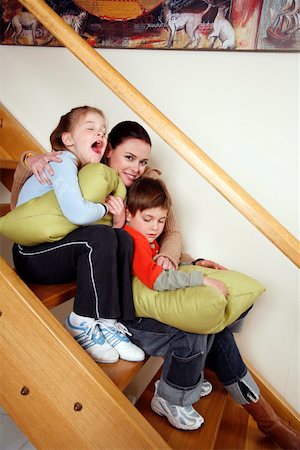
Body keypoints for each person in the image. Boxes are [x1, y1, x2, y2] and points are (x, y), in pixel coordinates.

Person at [11, 121, 300, 448]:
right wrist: (28, 161)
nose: (136, 168)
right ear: (108, 152)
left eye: (143, 161)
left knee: (210, 321)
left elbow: (167, 236)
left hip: (145, 284)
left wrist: (187, 263)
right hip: (116, 298)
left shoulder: (145, 187)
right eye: (129, 158)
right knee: (200, 330)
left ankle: (266, 419)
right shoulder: (86, 175)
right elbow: (32, 203)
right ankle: (228, 410)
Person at [11, 107, 145, 364]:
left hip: (57, 252)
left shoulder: (89, 174)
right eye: (91, 128)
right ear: (68, 139)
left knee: (122, 239)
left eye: (103, 131)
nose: (100, 133)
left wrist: (117, 221)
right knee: (100, 237)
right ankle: (81, 321)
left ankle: (109, 321)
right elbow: (77, 214)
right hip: (31, 255)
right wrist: (106, 208)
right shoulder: (62, 162)